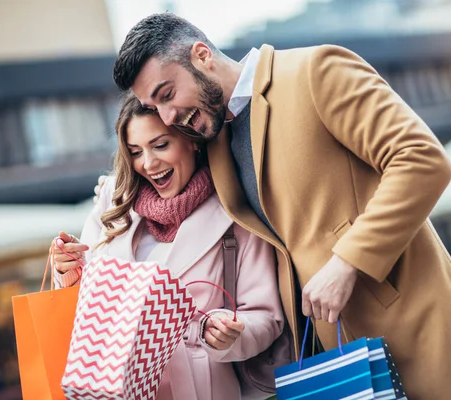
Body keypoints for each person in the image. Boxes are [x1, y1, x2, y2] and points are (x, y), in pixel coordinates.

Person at [99, 13, 451, 399]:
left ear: (202, 55)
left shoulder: (315, 71)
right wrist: (94, 235)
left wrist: (347, 262)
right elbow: (167, 197)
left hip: (413, 330)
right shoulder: (216, 141)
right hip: (333, 360)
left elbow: (421, 159)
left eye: (167, 93)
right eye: (155, 106)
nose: (168, 116)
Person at [53, 94, 283, 400]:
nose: (148, 164)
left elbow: (266, 317)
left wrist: (230, 335)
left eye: (160, 145)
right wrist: (67, 271)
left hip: (201, 387)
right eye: (135, 152)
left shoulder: (234, 213)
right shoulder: (114, 202)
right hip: (115, 384)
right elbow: (89, 300)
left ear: (193, 141)